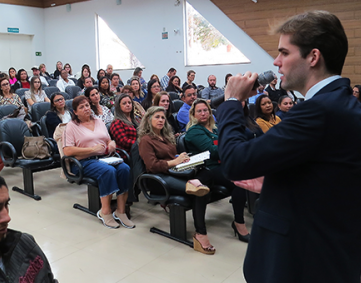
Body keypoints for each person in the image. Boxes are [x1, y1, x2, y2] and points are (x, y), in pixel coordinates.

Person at [217, 11, 361, 283]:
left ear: (313, 57)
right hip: (331, 254)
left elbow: (235, 160)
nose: (276, 62)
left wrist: (232, 103)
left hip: (298, 261)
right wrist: (278, 176)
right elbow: (325, 176)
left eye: (284, 52)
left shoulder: (318, 111)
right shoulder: (351, 108)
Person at [138, 106, 215, 254]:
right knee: (200, 192)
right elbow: (152, 166)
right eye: (157, 117)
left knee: (207, 172)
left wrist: (183, 159)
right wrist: (174, 162)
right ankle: (200, 233)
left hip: (175, 172)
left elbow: (173, 156)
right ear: (148, 120)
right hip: (159, 179)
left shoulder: (166, 136)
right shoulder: (146, 140)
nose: (161, 120)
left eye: (163, 117)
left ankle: (194, 183)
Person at [184, 99, 251, 242]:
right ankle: (239, 223)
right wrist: (229, 144)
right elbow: (214, 152)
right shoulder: (194, 131)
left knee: (248, 173)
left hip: (225, 164)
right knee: (239, 182)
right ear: (193, 115)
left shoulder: (215, 128)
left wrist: (229, 144)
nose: (203, 113)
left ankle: (243, 218)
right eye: (199, 111)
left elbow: (234, 141)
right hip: (208, 169)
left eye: (205, 110)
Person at [63, 96, 133, 229]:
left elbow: (107, 140)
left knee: (124, 169)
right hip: (83, 162)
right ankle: (105, 212)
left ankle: (120, 211)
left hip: (104, 158)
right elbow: (67, 151)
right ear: (75, 112)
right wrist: (91, 149)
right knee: (108, 171)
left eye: (87, 105)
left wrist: (111, 143)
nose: (86, 109)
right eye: (81, 107)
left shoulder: (99, 121)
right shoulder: (71, 126)